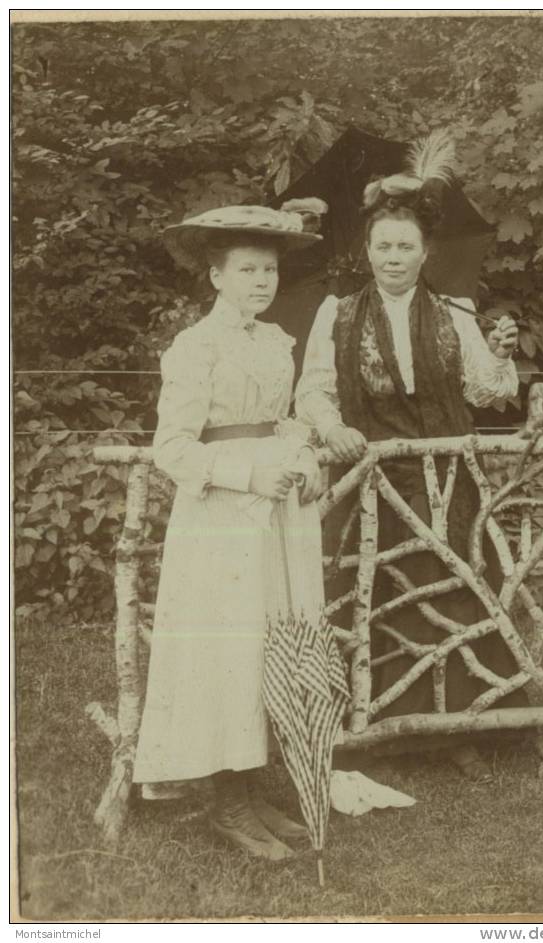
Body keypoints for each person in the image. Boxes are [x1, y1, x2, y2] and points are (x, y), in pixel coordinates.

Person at [295, 136, 522, 780]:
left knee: (451, 589)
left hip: (445, 479)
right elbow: (312, 389)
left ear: (425, 253)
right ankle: (375, 726)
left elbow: (485, 393)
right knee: (372, 594)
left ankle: (462, 725)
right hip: (368, 478)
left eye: (405, 247)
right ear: (365, 252)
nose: (393, 258)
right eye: (382, 247)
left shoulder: (456, 313)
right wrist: (331, 428)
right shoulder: (335, 315)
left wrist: (500, 354)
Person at [133, 202, 329, 860]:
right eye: (246, 269)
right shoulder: (194, 348)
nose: (261, 281)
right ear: (215, 275)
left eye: (269, 269)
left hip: (276, 518)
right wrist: (246, 475)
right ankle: (226, 802)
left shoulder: (277, 343)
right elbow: (173, 448)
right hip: (219, 517)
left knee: (268, 643)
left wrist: (301, 464)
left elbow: (289, 422)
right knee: (226, 650)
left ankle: (251, 785)